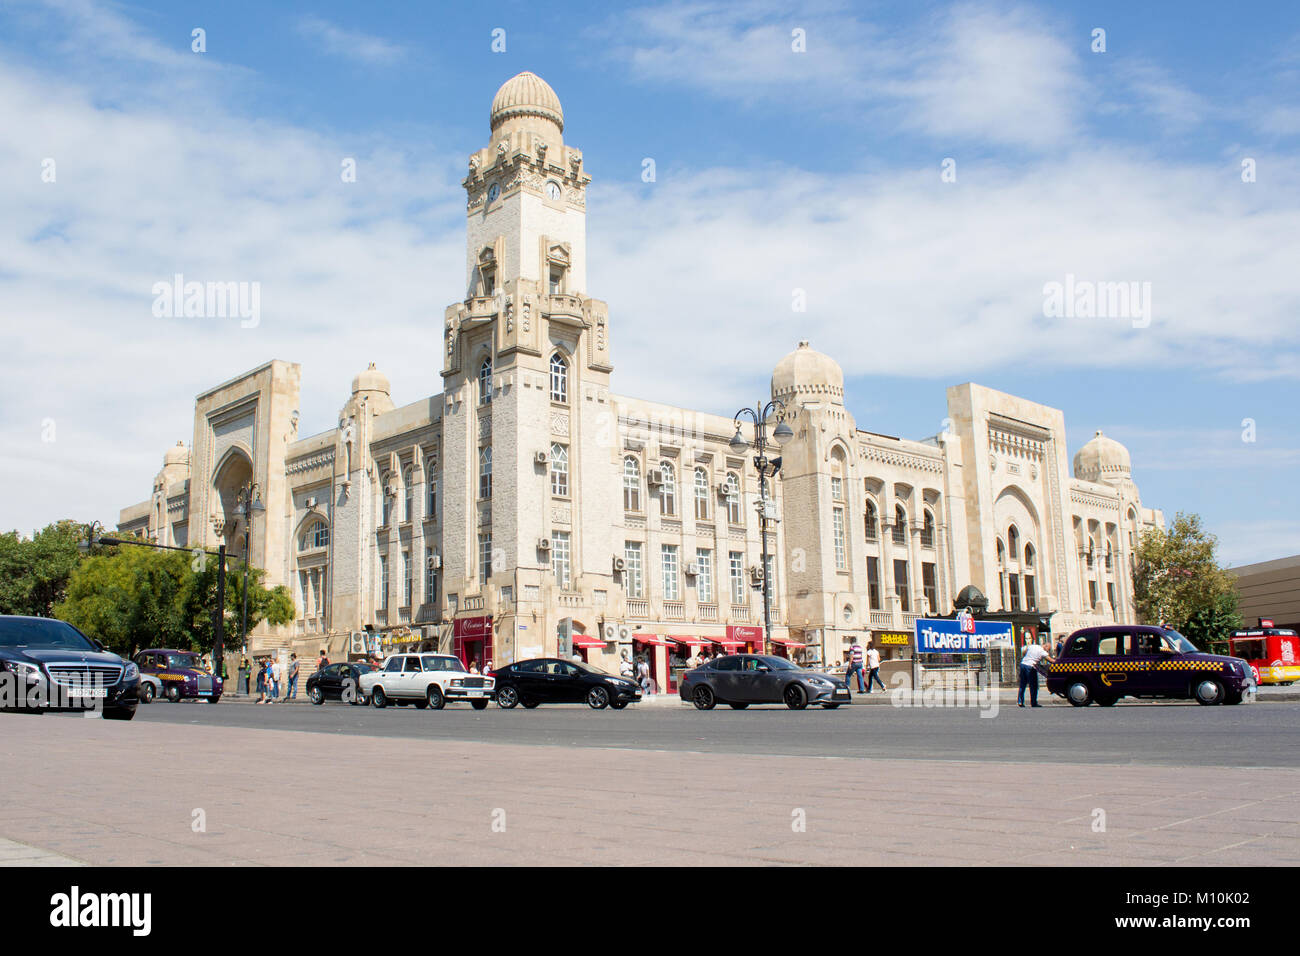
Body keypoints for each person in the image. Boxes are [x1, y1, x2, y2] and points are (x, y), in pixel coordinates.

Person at [1019, 639, 1055, 708]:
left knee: (1022, 684)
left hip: (1023, 664)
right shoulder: (1042, 652)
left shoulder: (1032, 646)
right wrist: (1058, 662)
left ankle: (1020, 701)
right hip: (1031, 667)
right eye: (1048, 649)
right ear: (1046, 646)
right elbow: (1050, 660)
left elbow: (1024, 652)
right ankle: (1033, 702)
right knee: (1033, 685)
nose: (1048, 651)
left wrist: (1027, 658)